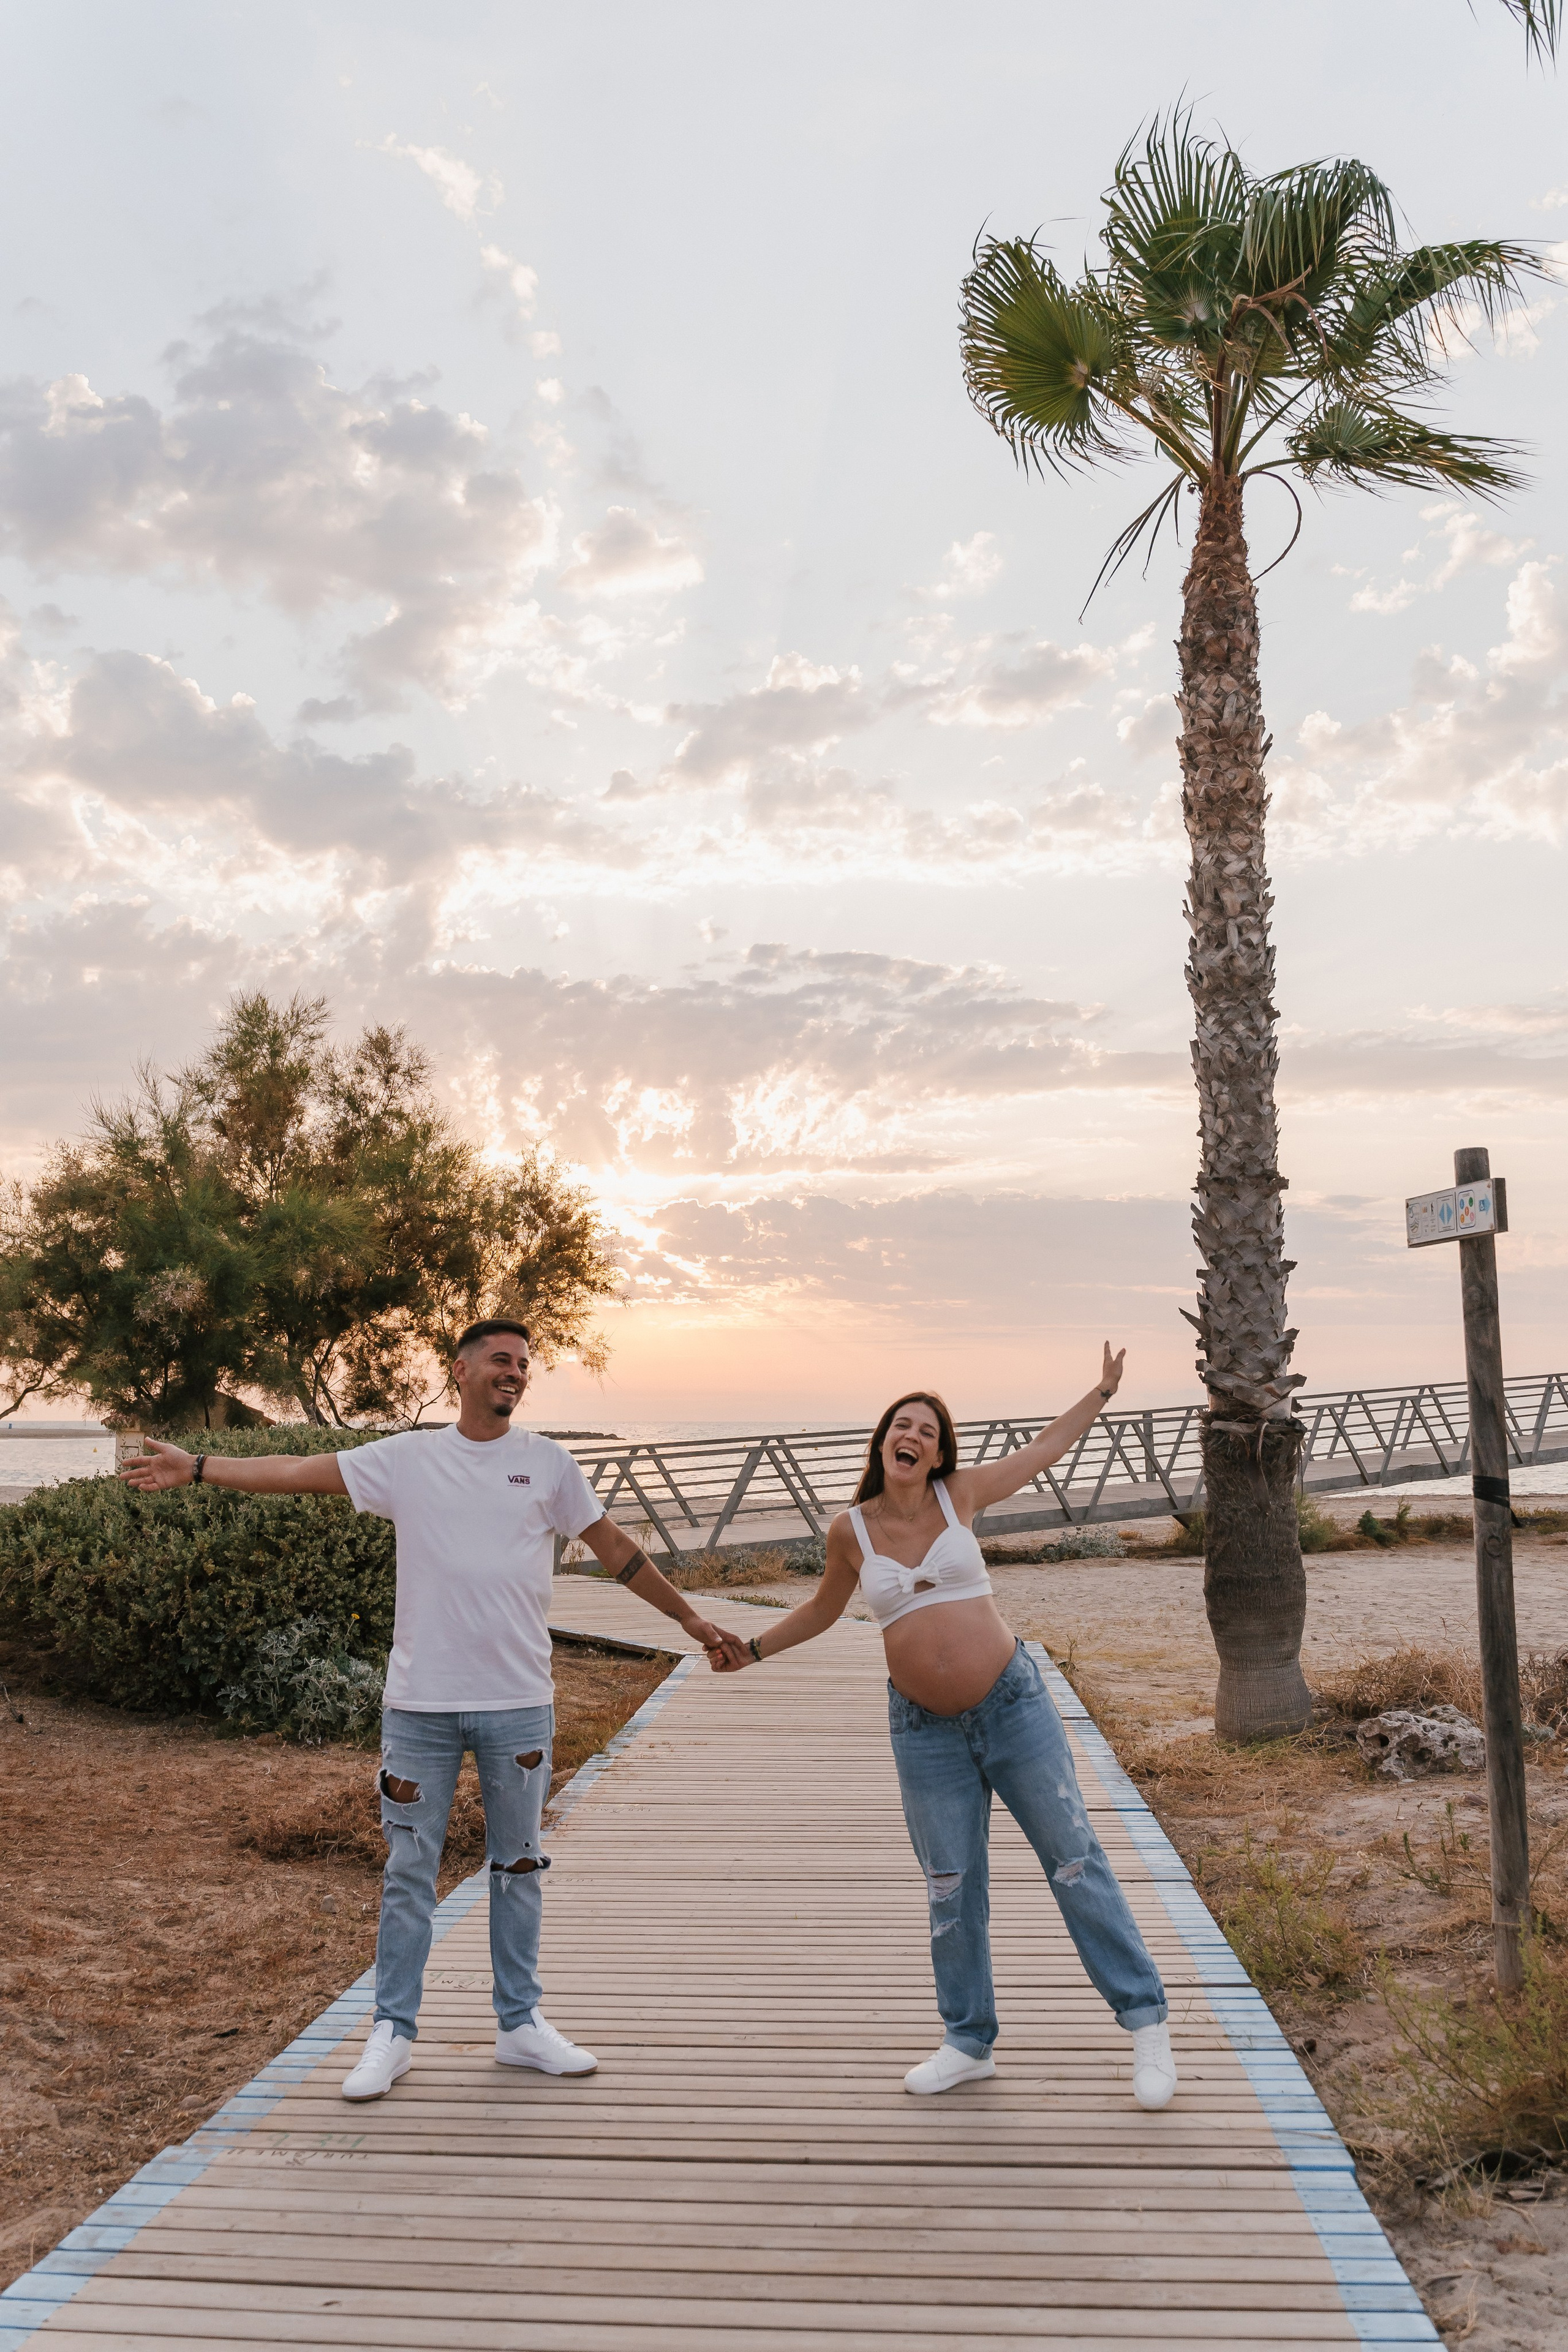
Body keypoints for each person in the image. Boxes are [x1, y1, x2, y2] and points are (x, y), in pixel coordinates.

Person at [121, 1319, 743, 2101]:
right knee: (408, 1871)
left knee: (518, 1868)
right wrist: (202, 1466)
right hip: (420, 1707)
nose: (514, 1373)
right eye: (500, 1360)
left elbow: (617, 1550)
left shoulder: (547, 1464)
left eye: (523, 1364)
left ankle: (520, 2026)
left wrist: (689, 1620)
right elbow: (295, 1469)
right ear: (462, 1370)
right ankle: (392, 2033)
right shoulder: (407, 1461)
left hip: (517, 1706)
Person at [714, 1346, 1177, 2109]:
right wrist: (751, 1651)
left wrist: (1100, 1392)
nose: (914, 1435)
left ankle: (1146, 2025)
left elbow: (1042, 1451)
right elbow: (824, 1612)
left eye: (928, 1430)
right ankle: (968, 2042)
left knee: (1073, 1860)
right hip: (924, 1732)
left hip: (1012, 1708)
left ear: (938, 1450)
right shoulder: (850, 1533)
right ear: (882, 1442)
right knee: (949, 1887)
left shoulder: (959, 1495)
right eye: (903, 1424)